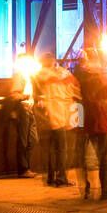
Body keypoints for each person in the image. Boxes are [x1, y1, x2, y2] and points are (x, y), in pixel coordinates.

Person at [74, 48, 107, 200]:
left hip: (81, 117)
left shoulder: (76, 76)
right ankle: (104, 189)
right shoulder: (95, 77)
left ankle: (85, 189)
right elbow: (104, 94)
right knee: (103, 155)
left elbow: (75, 97)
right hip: (95, 118)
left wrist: (77, 122)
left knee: (81, 155)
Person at [35, 53, 80, 188]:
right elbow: (75, 88)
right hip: (60, 116)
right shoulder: (59, 74)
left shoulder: (40, 75)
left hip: (48, 117)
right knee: (61, 149)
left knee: (50, 149)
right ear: (52, 60)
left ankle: (50, 177)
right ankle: (61, 178)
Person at [0, 67, 38, 178]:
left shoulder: (30, 76)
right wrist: (25, 97)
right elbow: (13, 95)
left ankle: (26, 168)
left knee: (33, 140)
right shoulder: (19, 76)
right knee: (23, 141)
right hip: (22, 109)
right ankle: (23, 169)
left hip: (29, 109)